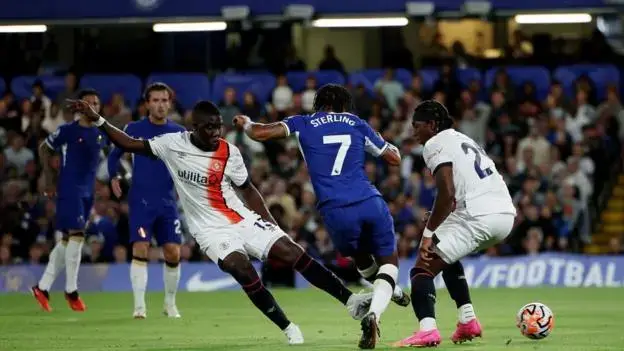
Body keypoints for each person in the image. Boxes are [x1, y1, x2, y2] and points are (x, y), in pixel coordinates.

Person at [66, 98, 373, 345]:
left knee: (293, 253)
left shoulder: (230, 152)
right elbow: (129, 143)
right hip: (209, 230)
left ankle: (350, 301)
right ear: (194, 127)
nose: (216, 132)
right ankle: (288, 326)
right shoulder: (172, 144)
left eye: (219, 127)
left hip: (241, 218)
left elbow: (248, 190)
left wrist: (269, 223)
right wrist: (98, 120)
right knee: (241, 268)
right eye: (209, 128)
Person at [233, 83, 410, 349]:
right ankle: (377, 309)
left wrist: (246, 122)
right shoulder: (356, 122)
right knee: (389, 261)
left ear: (319, 104)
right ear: (343, 105)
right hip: (369, 201)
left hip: (335, 210)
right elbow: (394, 158)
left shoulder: (303, 122)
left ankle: (389, 292)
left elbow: (260, 133)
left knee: (361, 258)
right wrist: (385, 142)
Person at [393, 100, 516, 347]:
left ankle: (427, 330)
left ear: (432, 124)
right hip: (504, 215)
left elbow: (447, 192)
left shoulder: (434, 143)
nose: (414, 132)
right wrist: (442, 217)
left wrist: (428, 233)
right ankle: (467, 320)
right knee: (448, 256)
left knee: (422, 268)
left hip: (477, 216)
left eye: (417, 126)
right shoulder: (463, 139)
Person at [107, 83, 185, 319]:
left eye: (164, 100)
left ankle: (169, 304)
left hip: (168, 201)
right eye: (156, 100)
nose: (161, 105)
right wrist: (114, 176)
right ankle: (139, 307)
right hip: (141, 201)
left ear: (169, 103)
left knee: (173, 251)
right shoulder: (134, 128)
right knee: (140, 248)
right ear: (147, 104)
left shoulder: (180, 132)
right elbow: (114, 155)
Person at [32, 89, 107, 312]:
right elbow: (44, 147)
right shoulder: (68, 131)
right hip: (69, 188)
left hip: (87, 192)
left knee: (67, 241)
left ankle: (42, 287)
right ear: (80, 106)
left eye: (96, 102)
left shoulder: (101, 133)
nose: (93, 105)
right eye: (89, 102)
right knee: (76, 235)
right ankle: (71, 291)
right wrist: (48, 178)